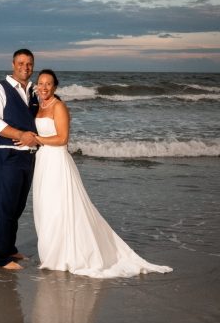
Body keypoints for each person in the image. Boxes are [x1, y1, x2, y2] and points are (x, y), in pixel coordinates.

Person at [21, 69, 173, 278]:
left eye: (49, 84)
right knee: (44, 208)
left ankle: (65, 255)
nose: (44, 87)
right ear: (36, 85)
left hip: (57, 162)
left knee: (60, 208)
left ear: (55, 87)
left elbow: (63, 139)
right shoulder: (38, 106)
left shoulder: (59, 107)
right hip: (42, 162)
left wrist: (37, 139)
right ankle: (51, 254)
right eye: (41, 83)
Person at [0, 49, 39, 270]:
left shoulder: (33, 91)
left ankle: (9, 248)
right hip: (8, 155)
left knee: (18, 206)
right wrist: (20, 135)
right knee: (5, 207)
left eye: (29, 64)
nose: (25, 67)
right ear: (13, 64)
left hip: (29, 158)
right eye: (21, 63)